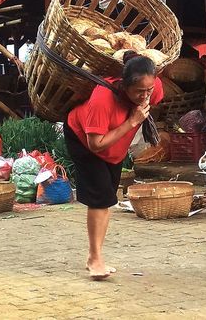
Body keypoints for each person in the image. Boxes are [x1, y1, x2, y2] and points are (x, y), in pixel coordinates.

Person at [65, 52, 164, 280]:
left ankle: (95, 256)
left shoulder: (152, 86)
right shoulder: (103, 98)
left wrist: (137, 114)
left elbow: (154, 96)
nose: (145, 95)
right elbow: (96, 144)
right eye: (139, 91)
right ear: (124, 85)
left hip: (114, 147)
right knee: (100, 199)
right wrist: (132, 121)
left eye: (149, 90)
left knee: (108, 195)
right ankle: (95, 258)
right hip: (85, 140)